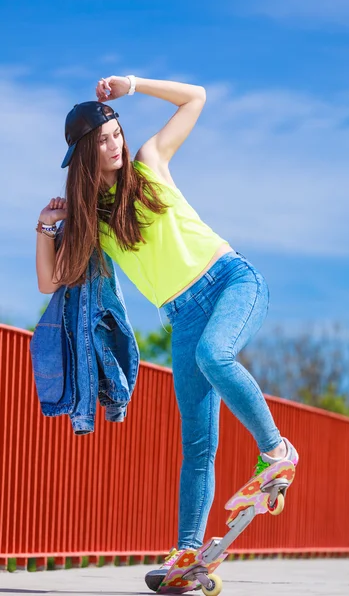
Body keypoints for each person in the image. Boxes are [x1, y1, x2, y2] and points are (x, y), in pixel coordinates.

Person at [35, 74, 298, 591]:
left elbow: (196, 97)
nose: (114, 145)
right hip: (182, 316)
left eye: (116, 135)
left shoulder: (151, 161)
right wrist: (45, 228)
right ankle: (187, 552)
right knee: (197, 442)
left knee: (214, 357)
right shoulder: (96, 225)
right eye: (103, 141)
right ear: (84, 154)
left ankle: (277, 452)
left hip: (231, 281)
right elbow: (51, 280)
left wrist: (131, 85)